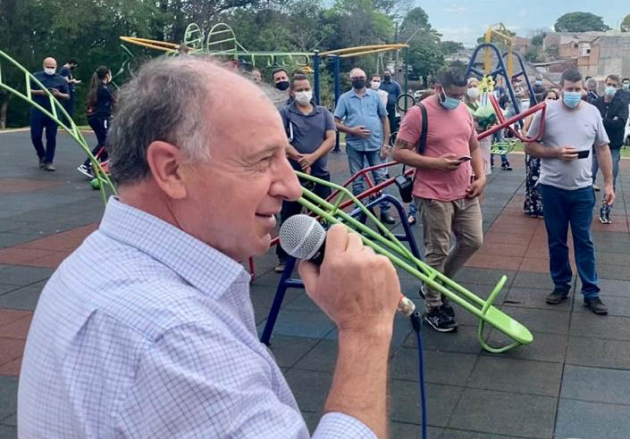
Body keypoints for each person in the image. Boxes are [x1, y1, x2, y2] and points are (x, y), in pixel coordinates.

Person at [19, 57, 401, 438]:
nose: (292, 187)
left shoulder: (99, 265)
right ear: (171, 170)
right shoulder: (172, 339)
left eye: (283, 158)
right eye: (262, 160)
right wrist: (365, 331)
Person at [393, 68, 486, 333]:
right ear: (438, 88)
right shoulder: (418, 113)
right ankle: (433, 306)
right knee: (437, 250)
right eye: (453, 94)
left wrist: (481, 178)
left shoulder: (464, 111)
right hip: (433, 194)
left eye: (461, 94)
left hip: (464, 190)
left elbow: (474, 146)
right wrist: (435, 163)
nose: (458, 99)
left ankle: (436, 284)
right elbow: (398, 153)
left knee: (473, 240)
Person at [525, 68, 614, 316]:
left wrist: (609, 184)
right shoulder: (546, 112)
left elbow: (603, 149)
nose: (573, 94)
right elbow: (529, 147)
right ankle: (561, 284)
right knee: (556, 240)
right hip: (552, 187)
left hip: (582, 188)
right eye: (569, 89)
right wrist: (555, 153)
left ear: (584, 90)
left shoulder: (592, 112)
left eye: (577, 90)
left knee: (584, 240)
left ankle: (591, 291)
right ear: (561, 89)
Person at [274, 74, 337, 272]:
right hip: (294, 174)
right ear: (292, 92)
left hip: (319, 172)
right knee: (290, 214)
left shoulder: (323, 113)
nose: (304, 93)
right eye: (299, 90)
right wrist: (300, 158)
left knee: (322, 214)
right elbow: (281, 141)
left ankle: (322, 254)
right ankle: (284, 257)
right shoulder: (285, 113)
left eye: (306, 89)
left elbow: (331, 139)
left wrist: (312, 158)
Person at [334, 67, 395, 225]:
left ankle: (384, 210)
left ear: (366, 79)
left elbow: (384, 119)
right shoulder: (345, 99)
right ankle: (360, 210)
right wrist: (351, 130)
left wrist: (386, 143)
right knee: (358, 180)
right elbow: (336, 122)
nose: (359, 79)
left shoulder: (375, 97)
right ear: (351, 80)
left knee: (380, 177)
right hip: (355, 145)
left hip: (374, 143)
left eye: (361, 77)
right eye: (356, 77)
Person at [593, 75, 628, 224]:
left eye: (614, 85)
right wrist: (609, 121)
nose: (611, 87)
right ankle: (586, 206)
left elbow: (620, 123)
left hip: (613, 146)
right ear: (604, 84)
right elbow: (592, 123)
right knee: (588, 178)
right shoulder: (595, 103)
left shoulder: (622, 104)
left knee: (611, 179)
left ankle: (606, 210)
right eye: (609, 84)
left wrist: (602, 121)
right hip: (594, 147)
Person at [29, 57, 70, 172]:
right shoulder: (36, 76)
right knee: (35, 136)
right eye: (48, 67)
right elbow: (29, 90)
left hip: (53, 111)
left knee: (51, 137)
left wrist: (58, 94)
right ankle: (41, 155)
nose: (50, 69)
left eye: (52, 67)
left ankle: (49, 161)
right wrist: (41, 92)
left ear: (56, 67)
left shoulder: (61, 79)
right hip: (37, 110)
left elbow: (67, 96)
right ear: (43, 66)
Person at [523, 89, 559, 218]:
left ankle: (543, 206)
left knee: (543, 178)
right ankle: (532, 207)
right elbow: (524, 130)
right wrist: (531, 138)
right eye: (549, 98)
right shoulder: (535, 113)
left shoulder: (555, 117)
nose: (551, 101)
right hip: (534, 150)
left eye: (554, 99)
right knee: (533, 178)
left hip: (546, 151)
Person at [77, 67, 115, 179]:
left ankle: (103, 167)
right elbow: (114, 100)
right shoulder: (103, 89)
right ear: (107, 75)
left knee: (103, 142)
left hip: (95, 118)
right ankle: (86, 165)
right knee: (105, 142)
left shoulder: (98, 88)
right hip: (100, 118)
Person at [378, 68, 402, 134]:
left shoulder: (395, 85)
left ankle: (392, 137)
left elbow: (399, 95)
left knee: (392, 122)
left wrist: (397, 106)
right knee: (382, 122)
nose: (387, 75)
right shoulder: (380, 84)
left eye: (388, 74)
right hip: (381, 106)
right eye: (385, 74)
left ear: (391, 75)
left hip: (391, 106)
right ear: (383, 75)